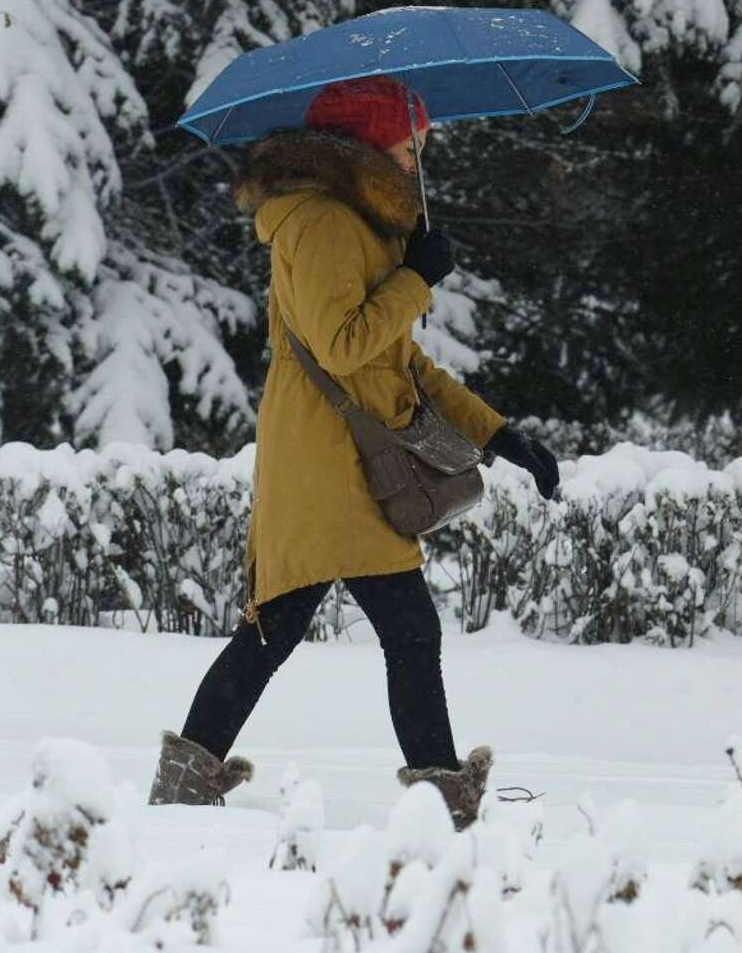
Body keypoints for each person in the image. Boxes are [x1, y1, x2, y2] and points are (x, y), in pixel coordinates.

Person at [146, 75, 559, 829]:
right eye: (409, 146)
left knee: (281, 629)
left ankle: (187, 778)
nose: (417, 159)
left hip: (342, 460)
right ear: (369, 144)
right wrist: (417, 281)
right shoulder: (324, 223)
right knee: (392, 628)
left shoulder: (365, 224)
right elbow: (342, 345)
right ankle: (442, 801)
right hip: (329, 462)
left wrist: (499, 433)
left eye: (422, 147)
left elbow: (399, 362)